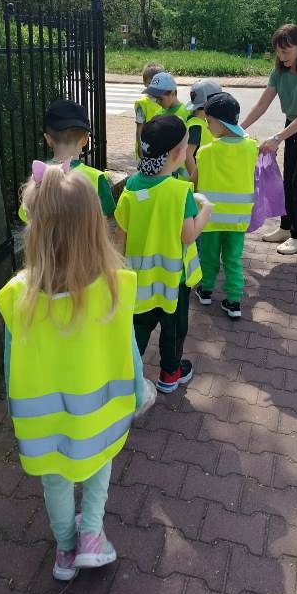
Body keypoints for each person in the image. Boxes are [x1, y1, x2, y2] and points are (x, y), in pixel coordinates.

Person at [0, 164, 155, 582]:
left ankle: (65, 549)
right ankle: (91, 536)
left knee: (56, 482)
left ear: (35, 229)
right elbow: (129, 353)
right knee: (99, 466)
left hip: (45, 421)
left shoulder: (20, 295)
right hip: (100, 412)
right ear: (94, 226)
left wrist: (16, 414)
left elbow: (11, 366)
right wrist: (138, 393)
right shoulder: (115, 285)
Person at [115, 116, 213, 392]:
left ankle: (128, 376)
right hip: (173, 281)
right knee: (174, 329)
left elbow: (120, 236)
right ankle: (170, 374)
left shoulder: (130, 187)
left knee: (138, 327)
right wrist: (205, 210)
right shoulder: (180, 192)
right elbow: (189, 235)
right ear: (178, 154)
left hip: (139, 280)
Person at [241, 23, 297, 255]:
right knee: (288, 182)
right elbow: (261, 104)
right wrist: (238, 129)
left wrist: (277, 138)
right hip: (292, 126)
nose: (281, 57)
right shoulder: (279, 71)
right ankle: (285, 228)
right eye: (278, 52)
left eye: (285, 51)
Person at [193, 93, 258, 319]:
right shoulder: (252, 148)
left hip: (210, 219)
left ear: (220, 123)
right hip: (238, 220)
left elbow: (194, 181)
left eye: (209, 121)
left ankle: (205, 290)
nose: (207, 126)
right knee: (233, 260)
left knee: (209, 257)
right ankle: (234, 301)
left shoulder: (205, 152)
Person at [18, 100, 115, 222]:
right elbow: (105, 218)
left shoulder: (38, 176)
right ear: (85, 139)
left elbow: (26, 216)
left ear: (48, 139)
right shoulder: (97, 178)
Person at [184, 79, 222, 180]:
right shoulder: (196, 126)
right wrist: (196, 181)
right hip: (194, 180)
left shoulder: (197, 120)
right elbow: (188, 154)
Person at [134, 62, 164, 158]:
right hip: (146, 147)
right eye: (151, 82)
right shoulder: (143, 104)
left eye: (157, 82)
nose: (154, 86)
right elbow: (139, 129)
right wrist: (140, 149)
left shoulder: (165, 100)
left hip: (161, 145)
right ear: (144, 82)